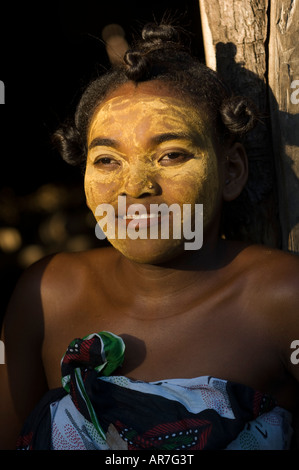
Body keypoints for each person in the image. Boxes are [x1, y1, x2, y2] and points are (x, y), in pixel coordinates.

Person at [1, 22, 299, 451]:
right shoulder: (47, 295)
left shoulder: (281, 298)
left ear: (231, 171)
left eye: (171, 155)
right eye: (106, 160)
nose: (135, 186)